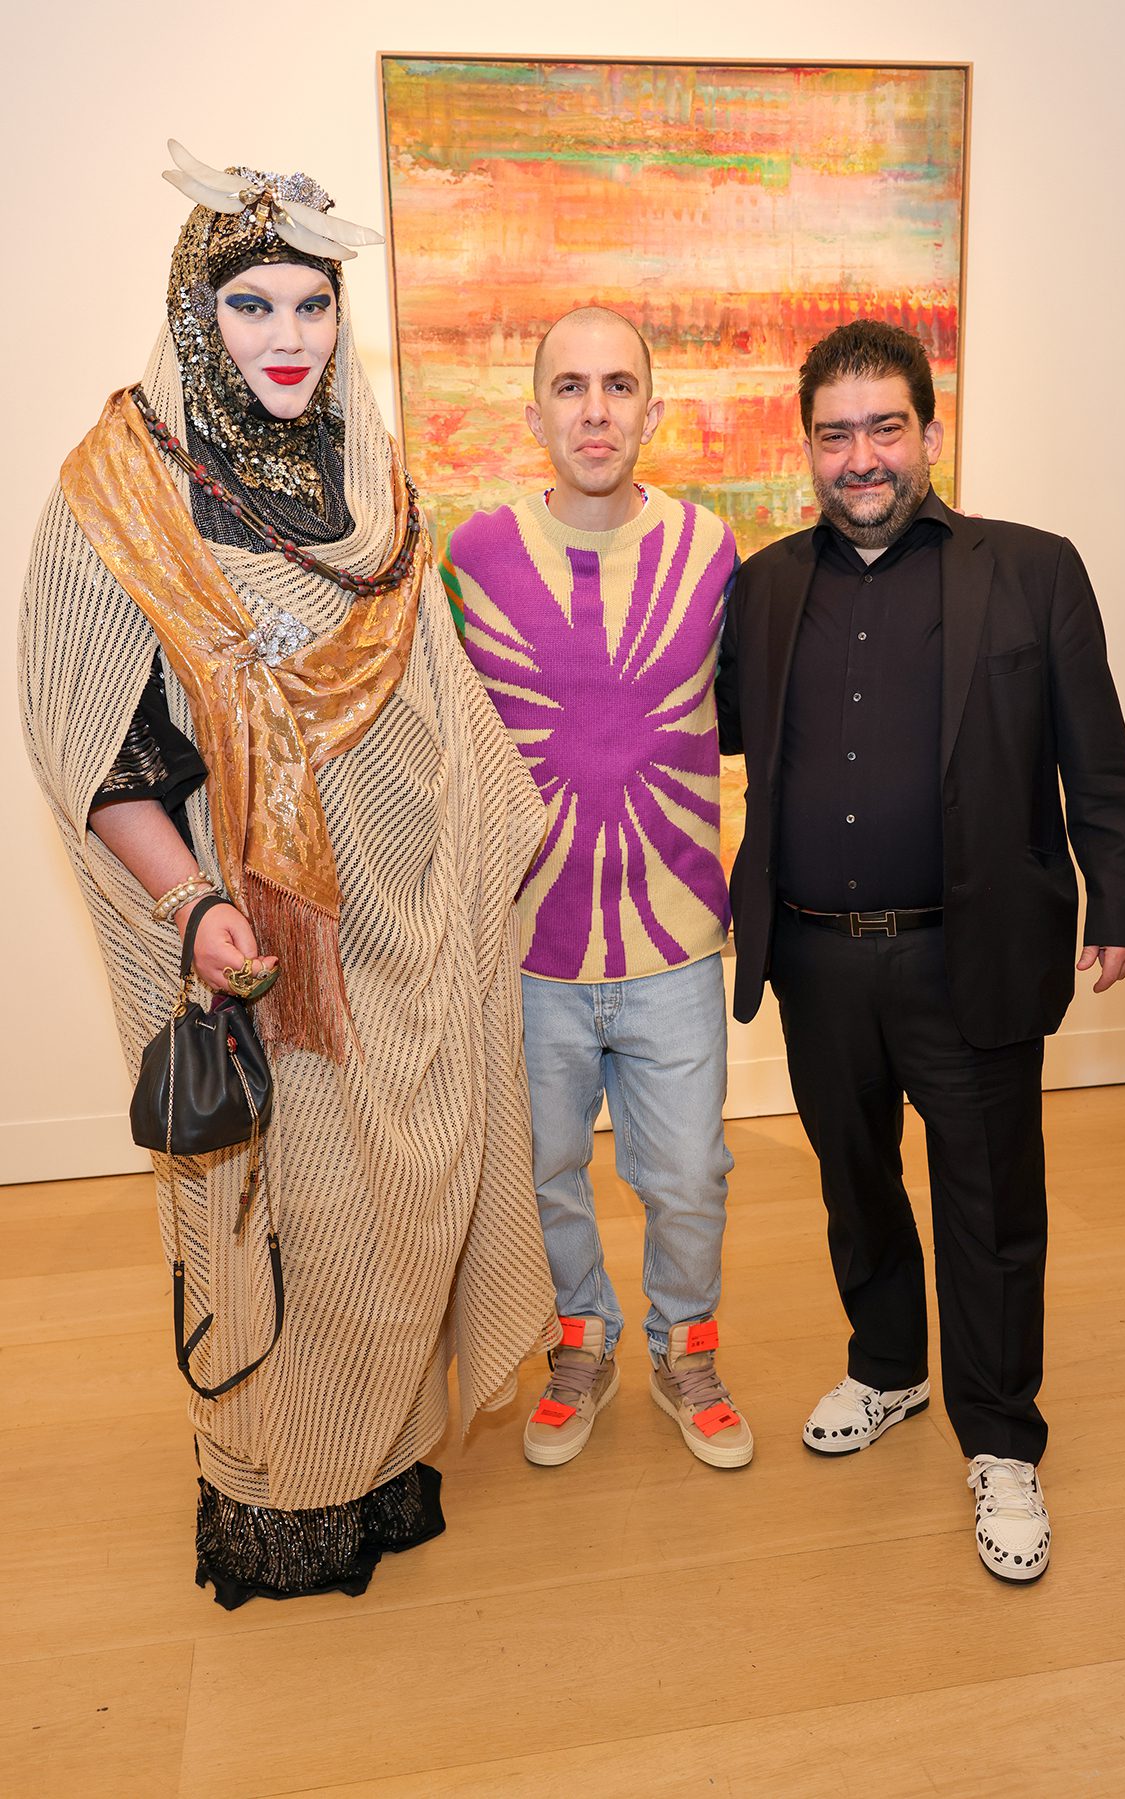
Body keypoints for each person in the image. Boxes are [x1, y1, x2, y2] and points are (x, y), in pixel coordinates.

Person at [19, 141, 556, 1607]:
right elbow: (94, 741)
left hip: (402, 921)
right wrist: (192, 906)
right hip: (257, 938)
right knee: (289, 1213)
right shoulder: (121, 490)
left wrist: (466, 847)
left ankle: (378, 1454)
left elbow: (431, 690)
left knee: (400, 1198)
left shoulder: (365, 469)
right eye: (251, 304)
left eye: (312, 304)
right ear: (196, 312)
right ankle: (283, 1484)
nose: (288, 336)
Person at [716, 319, 1125, 1580]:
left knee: (990, 1200)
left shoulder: (1031, 570)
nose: (860, 456)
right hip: (814, 958)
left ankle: (1003, 1437)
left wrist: (1124, 893)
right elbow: (719, 735)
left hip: (970, 951)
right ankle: (887, 1365)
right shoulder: (764, 586)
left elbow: (1096, 747)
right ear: (807, 446)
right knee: (853, 1180)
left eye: (884, 426)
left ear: (928, 428)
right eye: (835, 433)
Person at [441, 307, 754, 1470]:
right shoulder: (473, 557)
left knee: (689, 1176)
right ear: (535, 414)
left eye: (618, 385)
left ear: (651, 410)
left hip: (676, 939)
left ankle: (686, 1347)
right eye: (569, 387)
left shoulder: (712, 551)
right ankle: (582, 1341)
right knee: (543, 1176)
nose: (594, 410)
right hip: (527, 947)